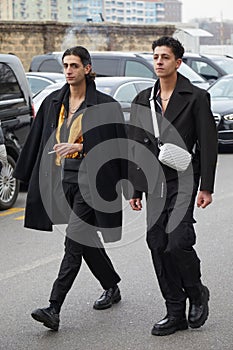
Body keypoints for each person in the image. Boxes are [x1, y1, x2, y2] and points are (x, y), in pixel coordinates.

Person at [13, 46, 128, 331]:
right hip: (62, 181)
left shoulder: (105, 105)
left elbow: (118, 147)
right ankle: (112, 286)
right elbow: (37, 140)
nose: (68, 70)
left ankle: (54, 307)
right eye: (65, 65)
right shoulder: (54, 102)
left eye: (74, 65)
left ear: (87, 69)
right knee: (84, 238)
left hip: (92, 182)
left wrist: (81, 146)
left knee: (74, 241)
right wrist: (22, 176)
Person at [128, 36, 218, 336]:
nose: (158, 61)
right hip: (153, 182)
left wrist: (207, 186)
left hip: (184, 178)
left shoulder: (195, 97)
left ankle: (196, 291)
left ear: (178, 62)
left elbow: (208, 143)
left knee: (178, 240)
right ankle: (174, 310)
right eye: (155, 57)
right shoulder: (143, 99)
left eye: (165, 57)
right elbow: (136, 145)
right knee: (157, 243)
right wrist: (135, 188)